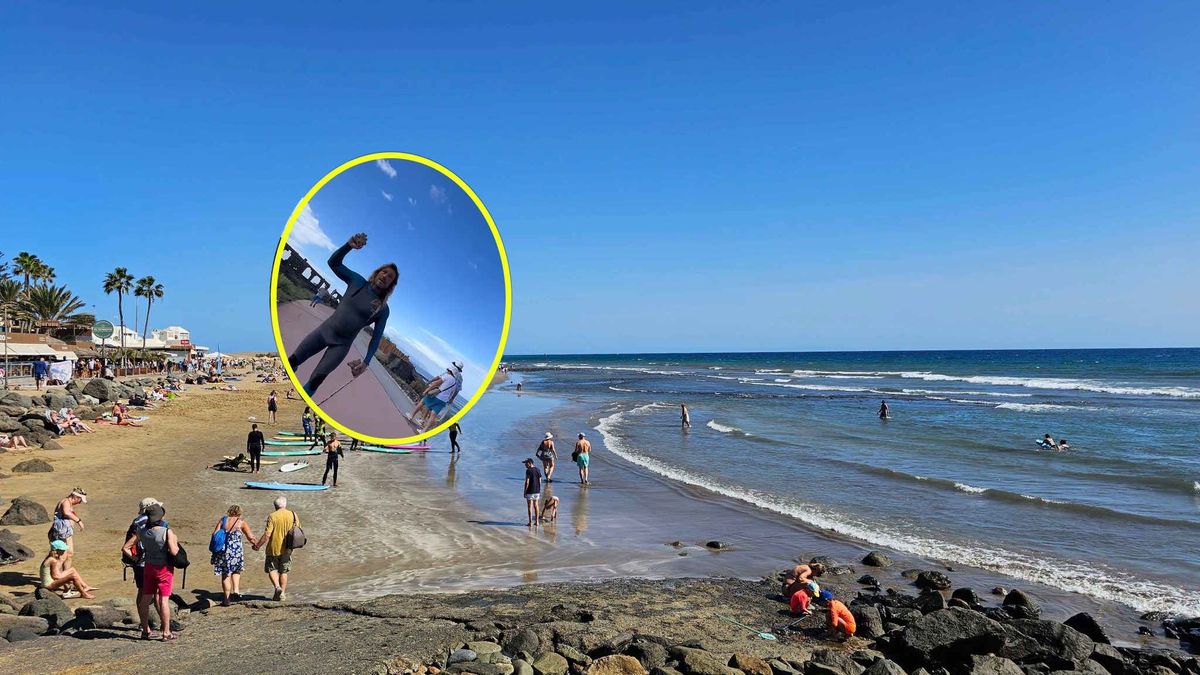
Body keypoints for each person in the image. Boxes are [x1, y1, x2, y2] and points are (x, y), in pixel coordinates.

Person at [286, 233, 396, 396]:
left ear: (391, 285)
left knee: (314, 383)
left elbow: (376, 338)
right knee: (292, 362)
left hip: (341, 346)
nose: (386, 276)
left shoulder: (383, 309)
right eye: (384, 272)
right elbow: (333, 263)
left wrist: (366, 362)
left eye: (390, 277)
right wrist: (348, 246)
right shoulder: (357, 281)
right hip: (323, 332)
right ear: (377, 272)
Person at [129, 503, 180, 641]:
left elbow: (127, 547)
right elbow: (174, 551)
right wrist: (174, 539)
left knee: (145, 598)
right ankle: (166, 632)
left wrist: (134, 559)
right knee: (164, 599)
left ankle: (145, 630)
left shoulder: (142, 531)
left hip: (148, 566)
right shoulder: (166, 531)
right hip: (163, 568)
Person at [253, 496, 300, 601]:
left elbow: (267, 535)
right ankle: (282, 594)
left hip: (274, 547)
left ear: (275, 506)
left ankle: (277, 587)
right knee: (284, 571)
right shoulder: (293, 515)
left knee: (272, 569)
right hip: (288, 548)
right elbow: (298, 530)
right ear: (285, 504)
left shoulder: (272, 516)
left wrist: (257, 545)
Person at [211, 505, 256, 606]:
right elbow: (250, 537)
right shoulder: (241, 523)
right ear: (239, 513)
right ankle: (236, 590)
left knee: (225, 574)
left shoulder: (223, 520)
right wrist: (256, 545)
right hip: (236, 552)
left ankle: (227, 600)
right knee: (236, 570)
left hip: (223, 551)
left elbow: (214, 534)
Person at [124, 497, 163, 604]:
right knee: (154, 593)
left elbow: (127, 546)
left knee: (142, 590)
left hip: (139, 561)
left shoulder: (137, 520)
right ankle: (157, 619)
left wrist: (135, 559)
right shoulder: (149, 521)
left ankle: (143, 619)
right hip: (148, 562)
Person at [409, 362, 464, 430]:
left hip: (438, 392)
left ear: (454, 366)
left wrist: (429, 384)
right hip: (444, 398)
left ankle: (413, 417)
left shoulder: (449, 374)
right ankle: (423, 423)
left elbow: (438, 380)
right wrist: (451, 399)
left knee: (424, 402)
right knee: (433, 413)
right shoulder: (460, 379)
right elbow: (456, 390)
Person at [48, 488, 86, 552]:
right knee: (58, 557)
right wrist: (79, 521)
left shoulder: (69, 503)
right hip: (60, 534)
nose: (80, 503)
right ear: (76, 497)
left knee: (69, 554)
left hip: (65, 533)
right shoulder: (66, 502)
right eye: (80, 500)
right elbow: (66, 512)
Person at [523, 458, 543, 526]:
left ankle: (530, 522)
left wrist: (525, 491)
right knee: (536, 506)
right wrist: (539, 489)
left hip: (530, 491)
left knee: (529, 506)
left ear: (530, 463)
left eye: (526, 463)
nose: (525, 465)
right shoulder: (538, 470)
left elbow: (527, 482)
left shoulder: (528, 470)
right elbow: (540, 480)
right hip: (537, 491)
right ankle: (537, 522)